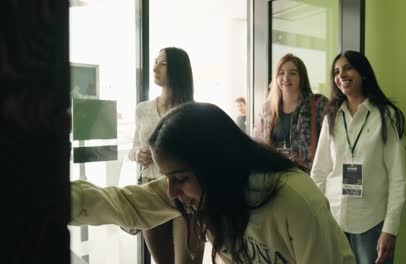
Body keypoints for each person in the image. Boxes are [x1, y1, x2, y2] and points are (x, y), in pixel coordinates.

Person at [71, 102, 356, 264]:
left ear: (214, 164)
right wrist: (50, 199)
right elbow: (126, 205)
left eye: (179, 179)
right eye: (167, 178)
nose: (171, 192)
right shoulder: (206, 189)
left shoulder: (294, 198)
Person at [310, 50, 406, 264]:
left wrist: (390, 229)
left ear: (363, 73)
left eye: (347, 68)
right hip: (333, 219)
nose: (341, 75)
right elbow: (320, 171)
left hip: (372, 222)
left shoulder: (386, 116)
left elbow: (398, 179)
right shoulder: (331, 116)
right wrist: (316, 216)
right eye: (336, 71)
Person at [127, 47, 204, 264]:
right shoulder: (142, 109)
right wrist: (138, 154)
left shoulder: (193, 111)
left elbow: (203, 155)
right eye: (155, 62)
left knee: (187, 262)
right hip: (151, 191)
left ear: (177, 69)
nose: (154, 67)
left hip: (186, 193)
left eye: (162, 63)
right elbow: (133, 148)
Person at [254, 53, 328, 173]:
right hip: (275, 177)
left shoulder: (318, 104)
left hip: (307, 179)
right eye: (281, 73)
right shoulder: (266, 109)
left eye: (293, 73)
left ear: (302, 78)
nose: (286, 78)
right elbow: (258, 146)